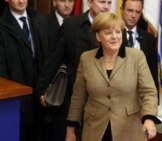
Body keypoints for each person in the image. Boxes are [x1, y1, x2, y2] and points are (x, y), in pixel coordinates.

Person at [65, 12, 161, 141]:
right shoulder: (86, 58)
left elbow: (149, 92)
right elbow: (78, 97)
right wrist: (70, 131)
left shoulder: (136, 57)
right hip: (95, 130)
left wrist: (149, 118)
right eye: (108, 33)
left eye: (118, 32)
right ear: (98, 36)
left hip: (129, 130)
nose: (114, 37)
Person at [36, 0, 113, 140]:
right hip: (72, 101)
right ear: (89, 3)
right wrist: (41, 89)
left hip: (102, 105)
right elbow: (55, 58)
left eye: (109, 2)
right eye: (102, 2)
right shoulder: (71, 25)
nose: (106, 6)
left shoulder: (115, 29)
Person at [0, 0, 49, 141]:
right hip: (16, 102)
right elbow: (1, 71)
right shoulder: (2, 26)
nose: (21, 1)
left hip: (41, 101)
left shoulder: (39, 20)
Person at [40, 0, 75, 141]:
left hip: (70, 93)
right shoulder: (42, 23)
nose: (67, 5)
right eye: (62, 0)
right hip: (51, 88)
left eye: (70, 1)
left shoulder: (77, 23)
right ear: (54, 2)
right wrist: (42, 89)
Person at [121, 0, 159, 97]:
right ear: (122, 10)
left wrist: (155, 100)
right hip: (118, 97)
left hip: (141, 97)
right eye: (130, 10)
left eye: (137, 12)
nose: (133, 15)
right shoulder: (112, 35)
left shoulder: (148, 38)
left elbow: (152, 72)